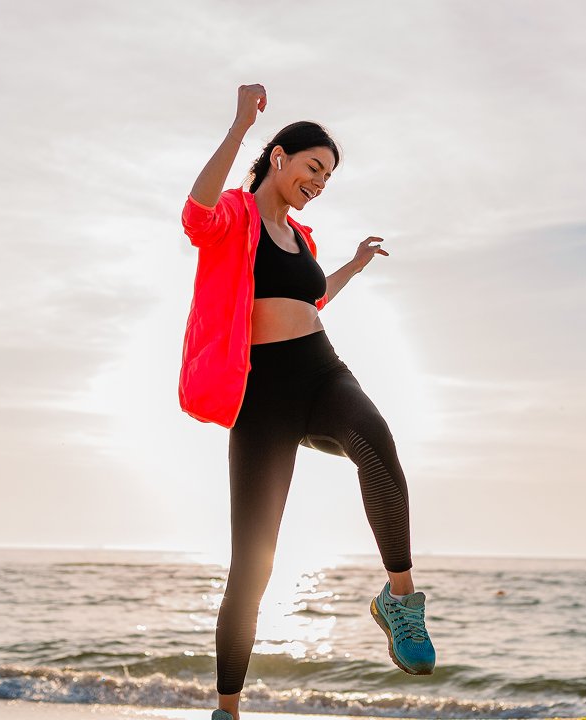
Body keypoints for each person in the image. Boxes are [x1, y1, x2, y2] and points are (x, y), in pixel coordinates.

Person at [179, 84, 435, 720]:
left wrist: (349, 265)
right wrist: (240, 124)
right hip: (260, 395)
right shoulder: (235, 216)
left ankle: (398, 599)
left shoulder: (302, 238)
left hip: (321, 374)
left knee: (376, 443)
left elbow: (309, 300)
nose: (319, 182)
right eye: (312, 167)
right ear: (279, 158)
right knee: (252, 566)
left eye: (328, 175)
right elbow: (194, 213)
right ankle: (228, 709)